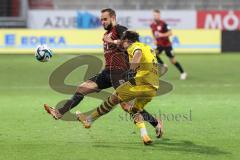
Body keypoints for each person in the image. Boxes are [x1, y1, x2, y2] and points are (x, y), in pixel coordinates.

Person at [44, 8, 163, 138]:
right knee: (82, 88)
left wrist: (112, 41)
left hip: (120, 72)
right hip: (107, 72)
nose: (102, 22)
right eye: (101, 19)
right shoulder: (107, 34)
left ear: (113, 18)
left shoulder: (119, 29)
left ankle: (155, 124)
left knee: (125, 104)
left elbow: (130, 42)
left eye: (105, 19)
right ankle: (60, 113)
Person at [77, 30, 161, 145]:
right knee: (134, 109)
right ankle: (147, 133)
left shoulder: (134, 46)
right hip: (153, 88)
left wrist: (131, 71)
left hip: (140, 83)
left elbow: (137, 53)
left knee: (114, 99)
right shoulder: (148, 48)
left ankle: (89, 120)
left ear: (127, 41)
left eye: (123, 41)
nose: (122, 44)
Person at [150, 9, 187, 80]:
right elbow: (154, 33)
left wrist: (162, 35)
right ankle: (163, 65)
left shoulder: (164, 24)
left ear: (159, 15)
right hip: (159, 45)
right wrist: (154, 39)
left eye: (157, 15)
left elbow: (170, 33)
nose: (156, 16)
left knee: (173, 61)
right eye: (154, 15)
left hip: (167, 45)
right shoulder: (152, 25)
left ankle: (183, 73)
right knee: (153, 54)